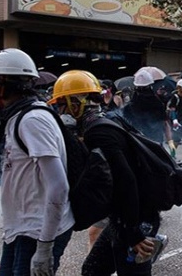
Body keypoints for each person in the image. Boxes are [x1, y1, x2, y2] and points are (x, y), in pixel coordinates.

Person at [48, 70, 162, 276]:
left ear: (77, 102)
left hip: (137, 216)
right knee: (92, 270)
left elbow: (126, 181)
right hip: (123, 217)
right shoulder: (102, 122)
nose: (61, 110)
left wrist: (133, 233)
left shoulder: (99, 131)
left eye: (62, 104)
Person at [0, 48, 74, 275]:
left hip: (38, 231)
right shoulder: (15, 117)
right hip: (20, 228)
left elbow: (58, 187)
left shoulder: (33, 120)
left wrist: (45, 246)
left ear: (1, 85)